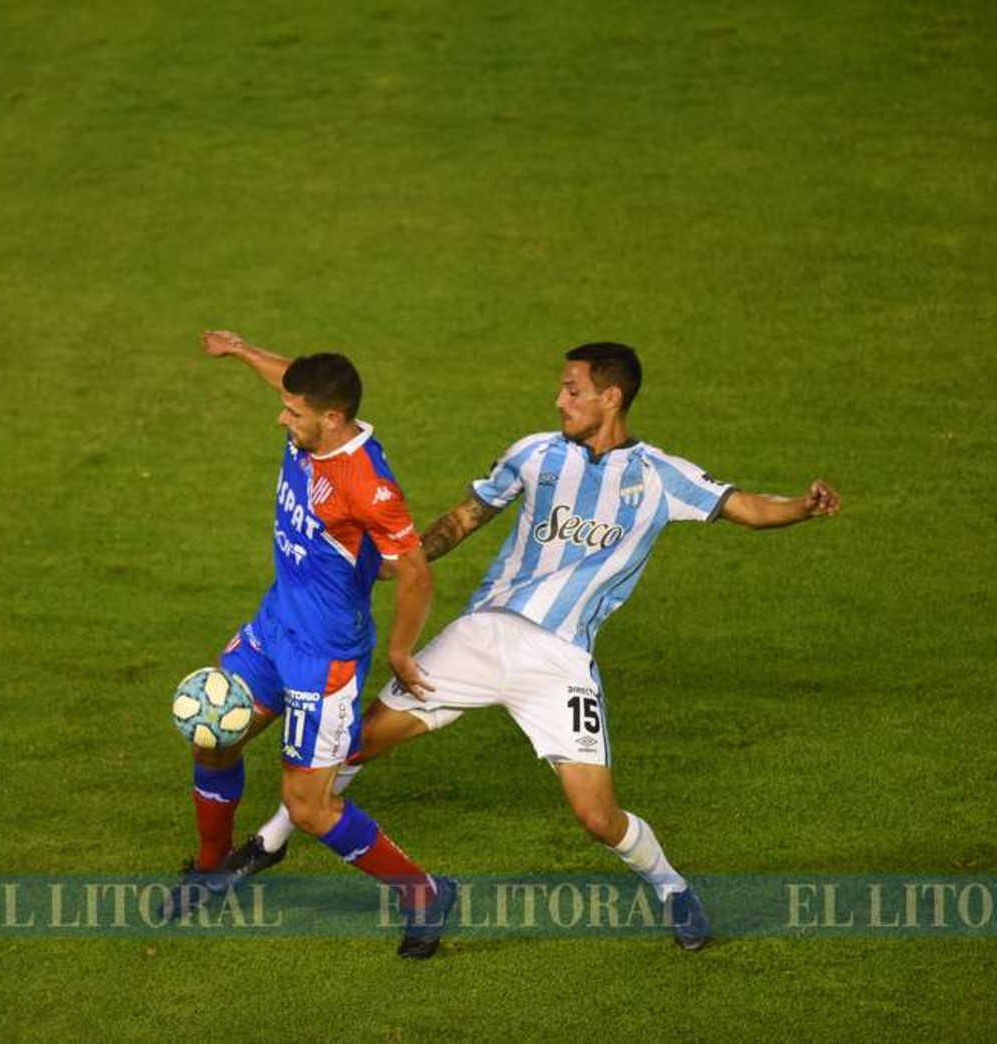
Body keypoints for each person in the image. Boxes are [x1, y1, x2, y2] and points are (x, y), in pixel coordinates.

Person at [221, 341, 842, 951]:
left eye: (572, 390)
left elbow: (750, 508)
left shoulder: (660, 477)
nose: (558, 400)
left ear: (611, 395)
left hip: (560, 663)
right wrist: (401, 564)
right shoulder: (533, 454)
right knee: (352, 742)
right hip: (480, 636)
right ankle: (272, 842)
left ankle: (671, 886)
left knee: (598, 817)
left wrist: (802, 507)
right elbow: (464, 518)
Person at [168, 330, 457, 959]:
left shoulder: (366, 484)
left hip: (324, 659)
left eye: (293, 412)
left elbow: (415, 572)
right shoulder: (312, 425)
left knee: (309, 808)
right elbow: (286, 380)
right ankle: (212, 867)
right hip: (275, 627)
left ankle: (424, 893)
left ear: (331, 418)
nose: (282, 416)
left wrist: (403, 652)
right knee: (213, 736)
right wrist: (243, 352)